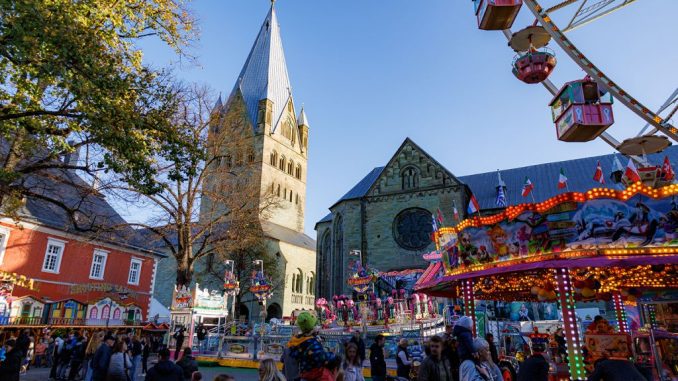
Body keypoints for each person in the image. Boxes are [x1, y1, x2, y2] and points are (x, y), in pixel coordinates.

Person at [288, 311, 335, 381]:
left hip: (303, 374)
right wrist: (332, 355)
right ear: (312, 327)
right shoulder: (312, 342)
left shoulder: (298, 340)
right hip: (313, 376)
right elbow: (321, 358)